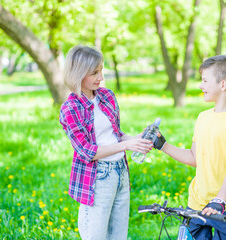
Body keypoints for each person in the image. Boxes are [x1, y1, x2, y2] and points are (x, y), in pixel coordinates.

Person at [154, 54, 226, 240]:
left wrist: (219, 200)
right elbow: (194, 158)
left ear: (223, 85)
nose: (201, 85)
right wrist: (163, 145)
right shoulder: (203, 117)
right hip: (197, 205)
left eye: (205, 80)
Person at [59, 45, 152, 240]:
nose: (100, 77)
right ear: (78, 74)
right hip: (97, 177)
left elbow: (115, 135)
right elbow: (87, 152)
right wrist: (126, 145)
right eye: (94, 73)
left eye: (101, 70)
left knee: (119, 236)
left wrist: (136, 140)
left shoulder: (106, 96)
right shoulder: (70, 109)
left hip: (120, 171)